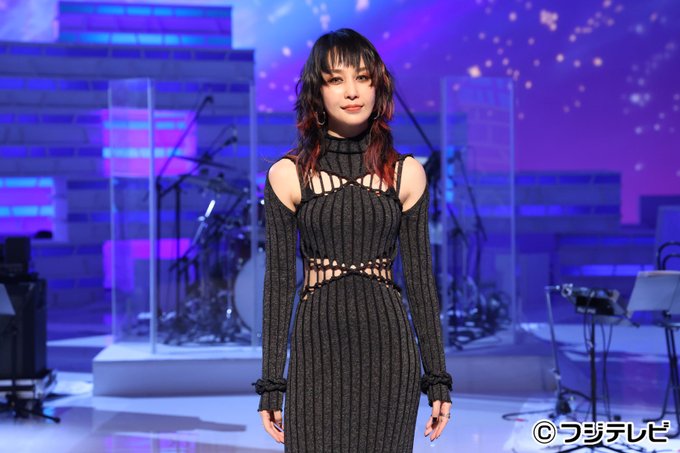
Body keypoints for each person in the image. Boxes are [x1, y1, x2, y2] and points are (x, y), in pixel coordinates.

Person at [252, 28, 453, 452]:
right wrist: (272, 385)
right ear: (317, 91)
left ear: (378, 86)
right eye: (335, 79)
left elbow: (420, 282)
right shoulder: (287, 175)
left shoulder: (406, 174)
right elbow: (279, 285)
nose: (352, 91)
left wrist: (437, 379)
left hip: (389, 351)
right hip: (316, 350)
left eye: (363, 77)